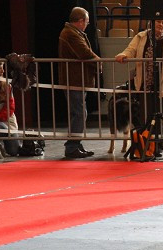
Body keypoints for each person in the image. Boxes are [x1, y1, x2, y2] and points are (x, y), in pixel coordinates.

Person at [115, 19, 163, 156]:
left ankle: (156, 149)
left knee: (159, 120)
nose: (161, 25)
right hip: (144, 85)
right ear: (152, 22)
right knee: (144, 118)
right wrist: (124, 55)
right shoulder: (140, 37)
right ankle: (144, 147)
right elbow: (130, 50)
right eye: (158, 22)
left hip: (162, 87)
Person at [58, 8, 100, 159]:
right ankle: (72, 146)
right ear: (81, 21)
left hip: (76, 79)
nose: (87, 25)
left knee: (78, 113)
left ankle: (75, 143)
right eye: (87, 22)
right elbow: (85, 53)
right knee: (79, 113)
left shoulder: (72, 32)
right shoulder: (70, 33)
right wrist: (99, 62)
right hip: (74, 80)